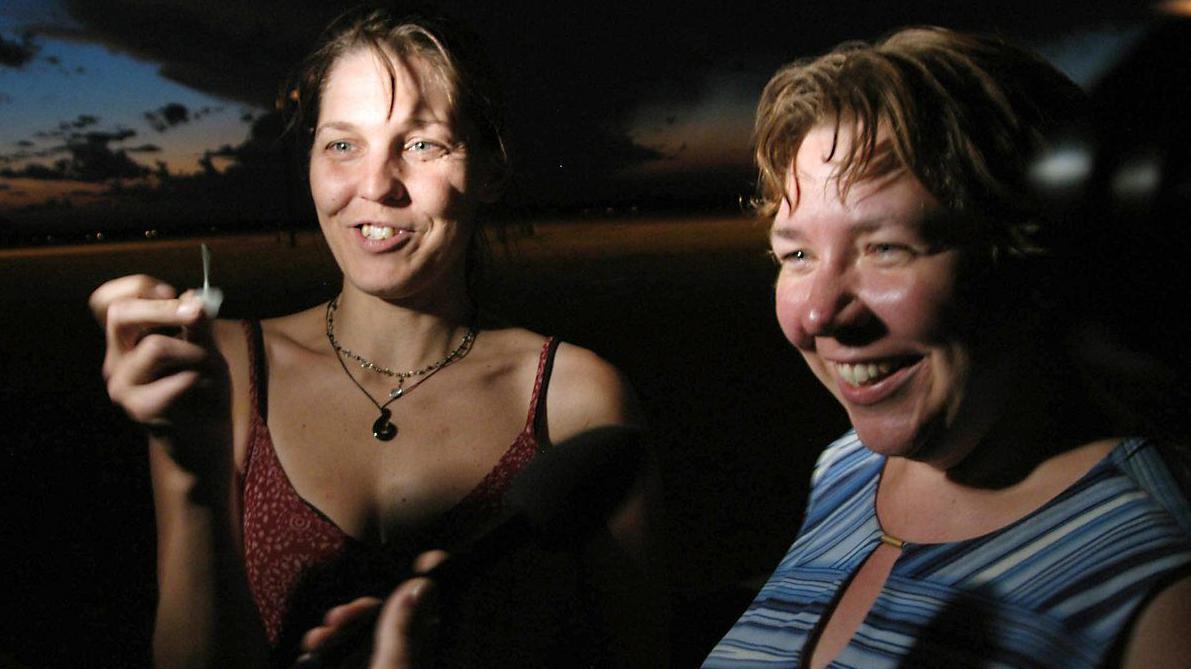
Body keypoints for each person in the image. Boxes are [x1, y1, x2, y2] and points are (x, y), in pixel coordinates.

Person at [90, 8, 663, 668]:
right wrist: (194, 474)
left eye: (421, 145)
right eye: (342, 144)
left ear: (489, 169)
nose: (374, 185)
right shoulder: (223, 371)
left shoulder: (574, 398)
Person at [702, 26, 1191, 668]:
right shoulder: (846, 473)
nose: (820, 312)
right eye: (796, 253)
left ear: (1036, 257)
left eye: (886, 248)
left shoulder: (1158, 574)